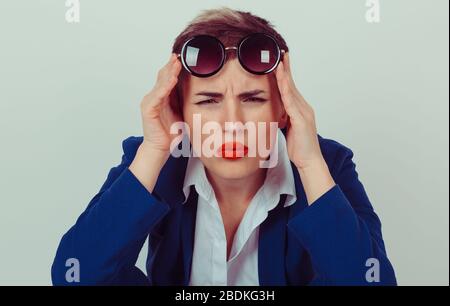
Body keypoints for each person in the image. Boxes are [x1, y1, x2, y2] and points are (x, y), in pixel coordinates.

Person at [52, 8, 396, 286]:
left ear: (283, 110)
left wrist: (309, 164)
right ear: (179, 111)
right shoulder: (158, 160)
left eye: (253, 98)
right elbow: (76, 274)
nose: (232, 123)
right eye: (208, 100)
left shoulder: (325, 164)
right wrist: (155, 150)